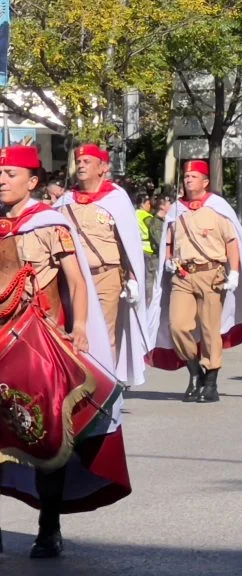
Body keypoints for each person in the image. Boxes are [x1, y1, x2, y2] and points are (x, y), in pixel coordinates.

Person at [0, 145, 130, 558]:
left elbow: (75, 280)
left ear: (33, 181)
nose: (2, 180)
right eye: (0, 174)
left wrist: (79, 326)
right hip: (1, 340)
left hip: (40, 342)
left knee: (46, 436)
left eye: (11, 174)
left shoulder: (49, 223)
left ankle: (48, 527)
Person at [148, 159, 242, 402]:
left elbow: (232, 243)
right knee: (178, 326)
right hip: (183, 275)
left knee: (209, 328)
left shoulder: (217, 207)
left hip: (211, 273)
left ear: (205, 181)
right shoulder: (176, 210)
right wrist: (169, 259)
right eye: (186, 176)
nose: (188, 179)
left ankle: (211, 378)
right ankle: (194, 369)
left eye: (193, 176)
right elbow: (169, 241)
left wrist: (233, 272)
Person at [54, 144, 147, 387]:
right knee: (74, 331)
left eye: (87, 161)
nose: (81, 165)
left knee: (105, 336)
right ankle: (80, 386)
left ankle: (105, 387)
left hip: (106, 275)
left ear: (103, 168)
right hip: (73, 279)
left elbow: (128, 242)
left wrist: (133, 278)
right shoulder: (65, 200)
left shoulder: (116, 199)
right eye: (79, 161)